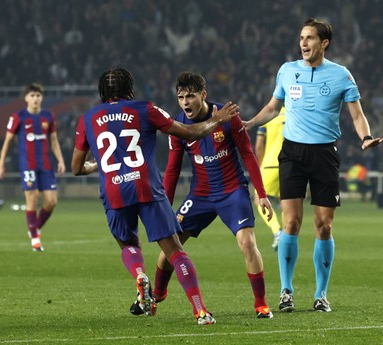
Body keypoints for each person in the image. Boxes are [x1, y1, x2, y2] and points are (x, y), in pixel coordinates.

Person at [71, 67, 240, 325]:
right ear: (130, 88)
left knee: (128, 244)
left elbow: (75, 168)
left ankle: (140, 275)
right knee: (175, 251)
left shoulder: (87, 118)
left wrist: (95, 166)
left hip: (114, 188)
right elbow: (191, 132)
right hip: (146, 187)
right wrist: (218, 120)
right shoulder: (145, 109)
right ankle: (200, 311)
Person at [244, 18, 383, 313]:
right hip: (292, 153)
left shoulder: (341, 75)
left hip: (324, 155)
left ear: (324, 43)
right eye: (301, 38)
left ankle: (321, 294)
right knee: (291, 222)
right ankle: (286, 291)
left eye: (309, 38)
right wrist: (249, 123)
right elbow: (273, 107)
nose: (303, 43)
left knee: (323, 225)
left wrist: (366, 137)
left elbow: (357, 115)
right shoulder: (287, 70)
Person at [151, 72, 274, 319]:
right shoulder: (178, 126)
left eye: (190, 96)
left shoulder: (228, 117)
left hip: (232, 192)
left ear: (203, 95)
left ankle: (261, 304)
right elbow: (173, 168)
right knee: (169, 247)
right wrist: (163, 204)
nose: (185, 102)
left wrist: (261, 193)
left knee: (248, 243)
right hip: (200, 195)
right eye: (180, 97)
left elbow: (248, 154)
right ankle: (158, 292)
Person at [0, 83, 65, 252]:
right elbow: (7, 142)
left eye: (38, 95)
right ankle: (35, 239)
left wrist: (61, 160)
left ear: (42, 98)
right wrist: (1, 163)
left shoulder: (48, 117)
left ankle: (35, 228)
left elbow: (54, 141)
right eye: (32, 95)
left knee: (51, 201)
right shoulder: (18, 117)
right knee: (33, 198)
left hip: (45, 165)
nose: (35, 98)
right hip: (28, 165)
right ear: (26, 98)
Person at [254, 107, 286, 250]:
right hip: (291, 165)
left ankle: (277, 231)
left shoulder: (267, 115)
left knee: (258, 198)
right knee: (286, 201)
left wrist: (260, 166)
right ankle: (287, 236)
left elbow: (259, 145)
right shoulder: (294, 112)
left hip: (271, 165)